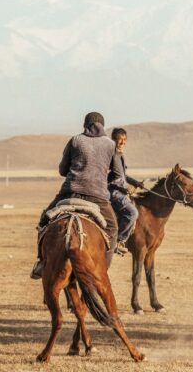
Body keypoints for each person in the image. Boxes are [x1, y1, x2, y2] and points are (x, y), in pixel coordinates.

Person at [31, 112, 119, 279]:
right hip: (97, 197)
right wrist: (101, 178)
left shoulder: (75, 140)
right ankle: (103, 269)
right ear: (103, 125)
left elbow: (62, 170)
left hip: (70, 192)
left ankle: (41, 262)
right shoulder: (110, 144)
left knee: (45, 219)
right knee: (113, 228)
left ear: (85, 124)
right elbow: (117, 173)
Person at [108, 128, 144, 256]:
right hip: (113, 192)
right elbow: (116, 179)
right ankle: (119, 241)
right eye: (120, 139)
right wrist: (126, 187)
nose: (122, 142)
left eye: (124, 140)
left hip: (120, 190)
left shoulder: (120, 155)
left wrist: (136, 183)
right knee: (132, 213)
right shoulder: (112, 155)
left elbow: (123, 175)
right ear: (113, 140)